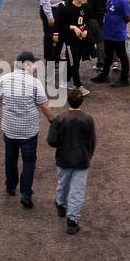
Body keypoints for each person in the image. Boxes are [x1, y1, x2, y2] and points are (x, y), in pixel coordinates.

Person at [0, 51, 54, 207]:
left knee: (10, 158)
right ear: (26, 65)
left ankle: (11, 186)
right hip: (29, 132)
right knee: (29, 161)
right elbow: (43, 106)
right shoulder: (34, 83)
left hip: (10, 130)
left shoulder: (4, 79)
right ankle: (25, 193)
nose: (35, 67)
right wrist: (53, 120)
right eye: (33, 64)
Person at [47, 89, 96, 235]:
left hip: (63, 158)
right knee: (77, 191)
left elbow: (51, 141)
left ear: (68, 100)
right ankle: (72, 221)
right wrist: (88, 155)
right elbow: (92, 141)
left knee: (63, 183)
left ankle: (61, 204)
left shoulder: (59, 119)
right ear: (82, 101)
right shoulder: (88, 119)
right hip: (82, 159)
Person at [92, 0, 130, 86]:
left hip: (118, 34)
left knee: (122, 57)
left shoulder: (123, 1)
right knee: (108, 56)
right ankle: (104, 76)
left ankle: (124, 80)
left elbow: (128, 18)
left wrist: (119, 25)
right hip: (108, 33)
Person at [53, 0, 92, 92]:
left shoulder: (86, 7)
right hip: (70, 40)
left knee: (75, 61)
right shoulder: (66, 7)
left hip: (81, 40)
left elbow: (88, 21)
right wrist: (73, 27)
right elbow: (59, 24)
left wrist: (86, 31)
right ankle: (78, 85)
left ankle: (65, 80)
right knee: (73, 62)